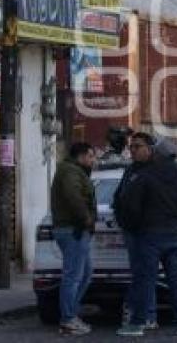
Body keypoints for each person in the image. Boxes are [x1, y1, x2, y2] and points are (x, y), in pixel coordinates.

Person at [115, 132, 177, 337]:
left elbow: (130, 207)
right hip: (173, 235)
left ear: (155, 154)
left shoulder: (144, 177)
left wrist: (133, 227)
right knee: (175, 280)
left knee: (145, 279)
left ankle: (137, 323)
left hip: (149, 235)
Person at [50, 142, 97, 336]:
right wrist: (85, 218)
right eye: (91, 156)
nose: (93, 161)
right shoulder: (71, 172)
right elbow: (73, 196)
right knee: (73, 276)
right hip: (73, 230)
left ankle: (71, 314)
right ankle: (68, 319)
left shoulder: (74, 171)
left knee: (85, 273)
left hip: (75, 230)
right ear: (82, 156)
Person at [113, 134, 157, 331]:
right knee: (141, 273)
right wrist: (122, 218)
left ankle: (147, 314)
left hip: (152, 230)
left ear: (149, 148)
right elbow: (119, 197)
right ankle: (138, 312)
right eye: (131, 147)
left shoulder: (158, 171)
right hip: (133, 230)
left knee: (148, 273)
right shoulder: (130, 171)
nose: (133, 150)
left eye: (137, 147)